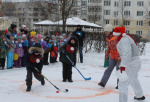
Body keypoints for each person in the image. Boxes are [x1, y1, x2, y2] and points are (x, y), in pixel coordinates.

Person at [113, 27, 145, 102]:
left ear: (118, 34)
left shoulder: (124, 39)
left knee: (122, 84)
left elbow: (127, 53)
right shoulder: (124, 38)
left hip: (131, 63)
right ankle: (139, 95)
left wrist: (123, 65)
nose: (114, 36)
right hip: (133, 62)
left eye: (115, 34)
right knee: (133, 79)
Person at [98, 24, 120, 89]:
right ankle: (103, 82)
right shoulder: (107, 37)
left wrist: (119, 56)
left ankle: (120, 85)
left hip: (119, 57)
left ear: (110, 31)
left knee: (119, 71)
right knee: (109, 69)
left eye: (106, 31)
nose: (105, 32)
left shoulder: (116, 36)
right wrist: (107, 54)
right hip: (112, 56)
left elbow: (120, 47)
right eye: (105, 31)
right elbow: (109, 47)